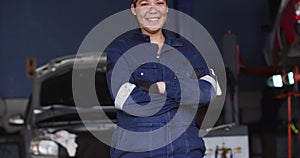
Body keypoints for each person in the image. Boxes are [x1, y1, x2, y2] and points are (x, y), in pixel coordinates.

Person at [105, 0, 217, 157]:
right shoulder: (120, 50)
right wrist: (185, 97)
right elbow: (126, 100)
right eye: (144, 4)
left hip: (186, 151)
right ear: (133, 9)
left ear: (166, 8)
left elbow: (209, 90)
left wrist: (164, 88)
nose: (153, 10)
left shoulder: (187, 49)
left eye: (159, 3)